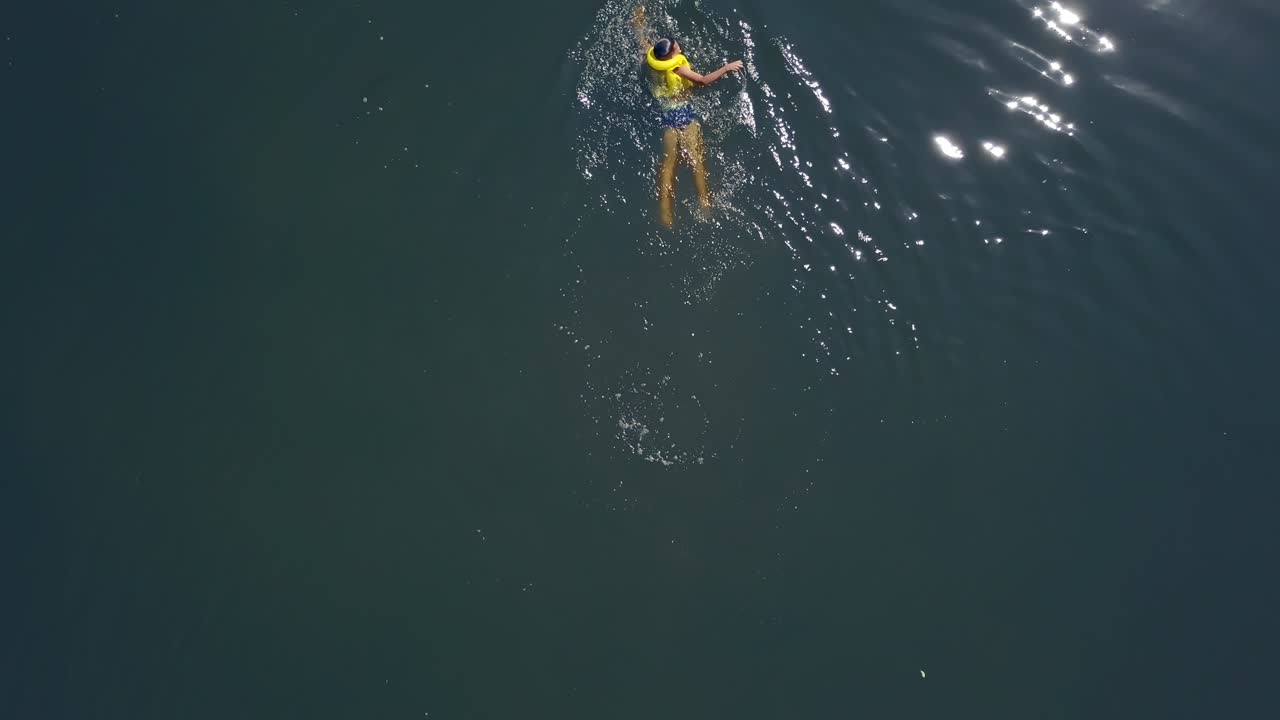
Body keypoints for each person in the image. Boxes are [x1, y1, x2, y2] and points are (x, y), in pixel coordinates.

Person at [633, 6, 744, 226]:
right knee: (697, 162)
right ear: (672, 54)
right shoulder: (677, 69)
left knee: (668, 164)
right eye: (677, 47)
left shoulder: (650, 60)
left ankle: (665, 215)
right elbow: (702, 80)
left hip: (665, 114)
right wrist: (727, 68)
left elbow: (640, 37)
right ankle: (704, 204)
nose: (679, 46)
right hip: (683, 114)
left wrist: (639, 19)